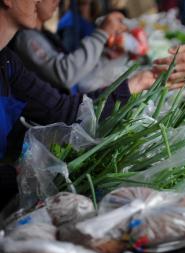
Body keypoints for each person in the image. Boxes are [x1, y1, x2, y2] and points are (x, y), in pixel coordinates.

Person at [0, 0, 155, 209]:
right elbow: (66, 76)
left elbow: (62, 109)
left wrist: (139, 82)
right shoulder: (26, 42)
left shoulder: (8, 62)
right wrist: (22, 176)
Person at [11, 0, 131, 94]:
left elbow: (77, 71)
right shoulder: (25, 37)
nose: (57, 1)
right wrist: (102, 33)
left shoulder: (45, 34)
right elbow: (65, 74)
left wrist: (107, 58)